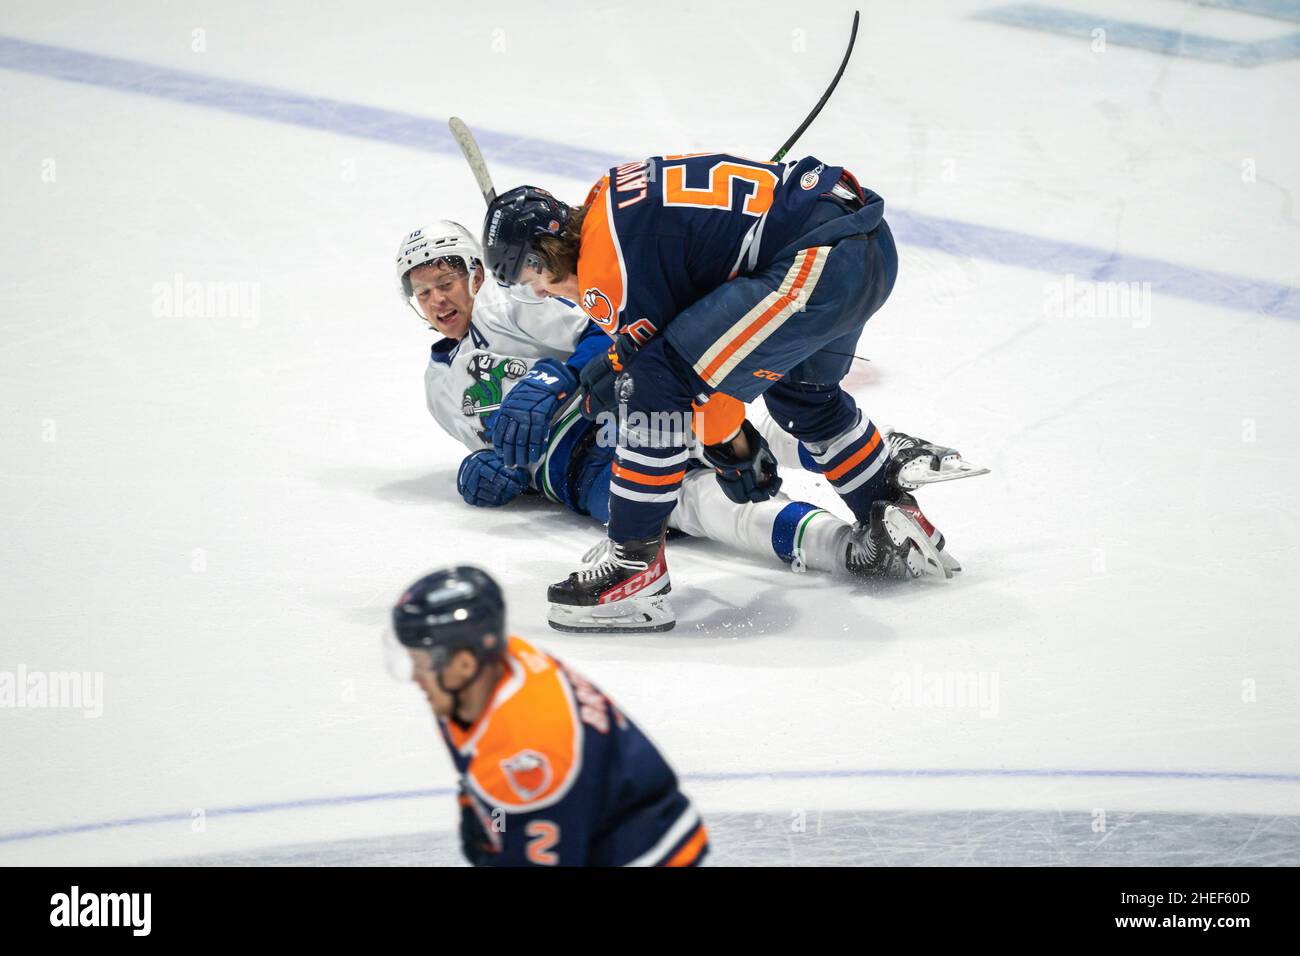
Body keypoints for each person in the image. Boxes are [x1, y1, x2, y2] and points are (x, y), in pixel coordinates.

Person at [479, 156, 983, 631]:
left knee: (649, 386)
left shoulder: (605, 267)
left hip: (821, 260)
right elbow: (696, 344)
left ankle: (633, 567)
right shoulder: (608, 201)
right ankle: (892, 516)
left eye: (533, 276)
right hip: (861, 244)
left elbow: (668, 375)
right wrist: (730, 446)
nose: (541, 292)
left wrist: (731, 450)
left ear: (548, 248)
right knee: (804, 396)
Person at [385, 565, 709, 866]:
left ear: (465, 664)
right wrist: (488, 816)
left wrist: (498, 826)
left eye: (423, 663)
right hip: (600, 819)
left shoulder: (530, 749)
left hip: (645, 852)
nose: (416, 677)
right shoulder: (486, 672)